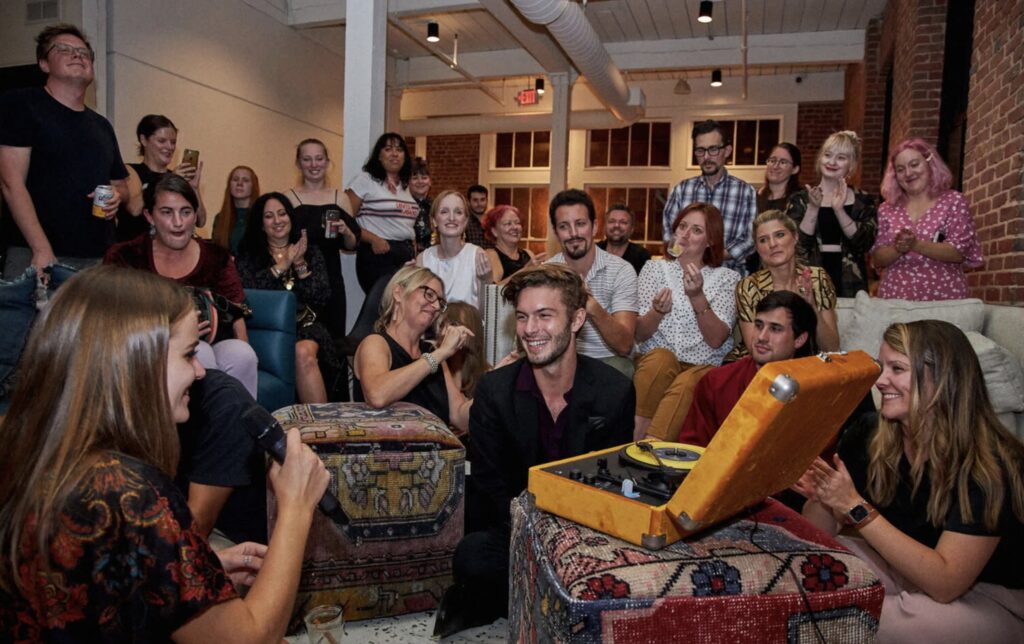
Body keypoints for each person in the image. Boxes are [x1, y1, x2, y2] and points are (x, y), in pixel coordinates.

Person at [0, 265, 330, 641]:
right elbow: (250, 638)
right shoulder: (127, 492)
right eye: (189, 354)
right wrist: (296, 508)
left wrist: (179, 575)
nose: (201, 372)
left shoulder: (35, 447)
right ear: (137, 363)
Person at [438, 264, 634, 635]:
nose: (530, 329)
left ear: (577, 319)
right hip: (517, 528)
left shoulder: (614, 390)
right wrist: (540, 541)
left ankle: (540, 597)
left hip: (586, 532)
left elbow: (611, 484)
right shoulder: (495, 392)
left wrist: (572, 546)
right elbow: (491, 487)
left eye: (545, 316)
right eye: (524, 317)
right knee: (473, 556)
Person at [800, 320, 1024, 642]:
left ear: (942, 378)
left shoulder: (991, 465)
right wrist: (824, 497)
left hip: (990, 594)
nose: (881, 380)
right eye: (882, 366)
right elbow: (821, 535)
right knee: (814, 571)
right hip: (901, 569)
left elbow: (946, 582)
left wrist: (854, 506)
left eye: (897, 368)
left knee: (866, 620)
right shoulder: (869, 434)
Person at [104, 174, 258, 399]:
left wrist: (243, 342)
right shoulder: (126, 256)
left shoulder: (216, 256)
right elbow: (110, 319)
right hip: (150, 347)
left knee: (242, 354)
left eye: (185, 212)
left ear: (195, 216)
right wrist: (175, 330)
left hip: (214, 340)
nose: (178, 222)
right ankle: (199, 431)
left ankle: (242, 429)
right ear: (150, 216)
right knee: (198, 353)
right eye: (167, 212)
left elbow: (238, 312)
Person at [0, 23, 127, 280]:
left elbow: (122, 185)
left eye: (84, 52)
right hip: (37, 255)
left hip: (95, 259)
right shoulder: (22, 105)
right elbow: (11, 182)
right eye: (64, 49)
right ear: (44, 64)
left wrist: (117, 195)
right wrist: (41, 248)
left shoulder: (101, 125)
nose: (77, 55)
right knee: (32, 322)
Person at [633, 202, 741, 440]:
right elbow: (638, 334)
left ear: (710, 240)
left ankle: (650, 451)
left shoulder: (727, 278)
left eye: (696, 230)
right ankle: (632, 442)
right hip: (656, 361)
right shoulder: (653, 269)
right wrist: (656, 312)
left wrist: (697, 297)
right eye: (682, 226)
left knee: (689, 380)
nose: (685, 234)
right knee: (661, 360)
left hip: (700, 366)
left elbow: (716, 340)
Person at [236, 192, 341, 404]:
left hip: (305, 326)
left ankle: (320, 429)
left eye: (282, 213)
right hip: (264, 332)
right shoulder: (249, 254)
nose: (277, 221)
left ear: (291, 218)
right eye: (269, 216)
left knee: (302, 351)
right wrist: (283, 265)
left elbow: (321, 297)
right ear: (260, 223)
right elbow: (249, 295)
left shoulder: (310, 251)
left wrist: (300, 263)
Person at [678, 290, 817, 447]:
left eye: (775, 329)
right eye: (758, 326)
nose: (761, 337)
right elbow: (690, 451)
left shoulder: (814, 391)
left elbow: (820, 459)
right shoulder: (716, 382)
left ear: (799, 339)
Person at [353, 266, 473, 433]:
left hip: (434, 455)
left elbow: (460, 417)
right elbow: (377, 395)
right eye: (429, 294)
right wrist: (439, 354)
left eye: (440, 301)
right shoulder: (375, 343)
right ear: (398, 293)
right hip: (386, 455)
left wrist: (494, 383)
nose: (436, 306)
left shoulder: (432, 352)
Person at [871, 138, 983, 300]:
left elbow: (959, 252)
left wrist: (916, 245)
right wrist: (897, 249)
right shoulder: (886, 209)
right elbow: (877, 258)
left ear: (930, 164)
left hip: (944, 301)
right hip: (895, 300)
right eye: (900, 169)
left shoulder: (954, 201)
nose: (908, 173)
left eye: (914, 164)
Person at [546, 189, 638, 377]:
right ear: (556, 233)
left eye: (580, 224)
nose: (573, 233)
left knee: (620, 369)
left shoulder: (621, 270)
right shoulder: (547, 273)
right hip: (559, 359)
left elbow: (624, 345)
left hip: (608, 361)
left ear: (595, 227)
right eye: (564, 226)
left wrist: (588, 302)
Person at [730, 210, 839, 360]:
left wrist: (811, 306)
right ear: (757, 248)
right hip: (758, 369)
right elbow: (757, 352)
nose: (773, 244)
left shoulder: (817, 278)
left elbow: (832, 348)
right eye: (763, 240)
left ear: (795, 237)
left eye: (779, 235)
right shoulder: (749, 287)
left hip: (808, 367)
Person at [178, 369, 268, 545]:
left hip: (227, 535)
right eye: (187, 356)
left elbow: (195, 532)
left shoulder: (224, 404)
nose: (200, 370)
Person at [786, 131, 877, 297]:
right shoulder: (799, 199)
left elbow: (864, 244)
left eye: (841, 157)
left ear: (852, 164)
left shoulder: (863, 200)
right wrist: (813, 207)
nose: (832, 162)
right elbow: (797, 246)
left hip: (851, 284)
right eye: (828, 155)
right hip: (809, 283)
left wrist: (839, 210)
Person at [662, 120, 757, 275]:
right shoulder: (681, 190)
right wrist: (691, 257)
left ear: (727, 151)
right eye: (700, 150)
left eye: (713, 149)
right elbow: (669, 235)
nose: (706, 157)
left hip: (729, 280)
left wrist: (709, 258)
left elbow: (749, 240)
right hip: (683, 278)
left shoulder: (745, 192)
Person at [287, 138, 360, 338]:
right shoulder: (289, 199)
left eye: (319, 159)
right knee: (301, 337)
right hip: (300, 277)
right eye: (307, 159)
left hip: (332, 277)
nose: (313, 165)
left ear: (327, 162)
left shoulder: (341, 198)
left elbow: (352, 246)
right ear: (298, 163)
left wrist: (346, 232)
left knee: (334, 336)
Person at [346, 132, 419, 294]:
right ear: (379, 155)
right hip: (378, 254)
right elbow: (346, 219)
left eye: (399, 150)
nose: (394, 154)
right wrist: (373, 239)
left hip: (405, 255)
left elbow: (406, 224)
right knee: (382, 306)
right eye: (388, 149)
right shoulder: (366, 180)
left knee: (401, 310)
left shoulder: (405, 186)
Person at [118, 114, 206, 242]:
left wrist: (194, 189)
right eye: (162, 141)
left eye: (173, 142)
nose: (169, 147)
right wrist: (168, 179)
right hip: (136, 251)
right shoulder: (131, 171)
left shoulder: (176, 176)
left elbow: (200, 221)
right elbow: (134, 209)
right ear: (143, 140)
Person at [416, 190, 493, 309]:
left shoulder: (477, 255)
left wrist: (485, 281)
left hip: (469, 326)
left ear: (465, 221)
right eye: (444, 212)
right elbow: (418, 308)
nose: (451, 218)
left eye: (458, 212)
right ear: (434, 221)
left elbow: (487, 313)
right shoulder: (423, 259)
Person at [438, 302, 489, 400]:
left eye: (453, 325)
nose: (444, 333)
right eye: (442, 325)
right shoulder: (433, 370)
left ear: (472, 331)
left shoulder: (486, 377)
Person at [483, 204, 544, 283]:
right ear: (494, 231)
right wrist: (524, 272)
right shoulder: (491, 255)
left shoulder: (528, 254)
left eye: (517, 223)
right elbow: (492, 292)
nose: (514, 227)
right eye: (508, 223)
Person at [211, 165, 260, 255]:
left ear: (254, 186)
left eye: (245, 180)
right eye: (235, 179)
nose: (239, 183)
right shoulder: (220, 218)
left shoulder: (262, 217)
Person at [597, 203, 651, 275]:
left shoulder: (641, 256)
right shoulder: (594, 251)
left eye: (623, 222)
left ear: (632, 229)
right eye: (612, 221)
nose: (616, 225)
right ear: (605, 226)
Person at [757, 142, 802, 215]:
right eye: (772, 161)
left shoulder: (800, 200)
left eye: (783, 162)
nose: (775, 166)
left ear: (795, 169)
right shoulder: (754, 198)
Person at [409, 156, 434, 251]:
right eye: (415, 178)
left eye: (424, 178)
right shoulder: (403, 205)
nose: (420, 181)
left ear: (430, 181)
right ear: (408, 182)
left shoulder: (436, 206)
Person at [464, 184, 493, 248]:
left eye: (482, 200)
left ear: (487, 201)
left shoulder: (493, 222)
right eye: (475, 200)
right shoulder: (464, 222)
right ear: (469, 202)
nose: (479, 204)